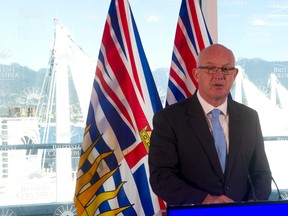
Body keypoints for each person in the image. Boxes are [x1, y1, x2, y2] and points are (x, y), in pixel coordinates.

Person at [148, 44, 271, 205]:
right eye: (210, 68)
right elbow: (161, 176)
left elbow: (261, 173)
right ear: (196, 74)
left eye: (226, 69)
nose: (219, 75)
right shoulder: (169, 119)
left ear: (234, 75)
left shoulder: (249, 117)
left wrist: (252, 204)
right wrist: (205, 200)